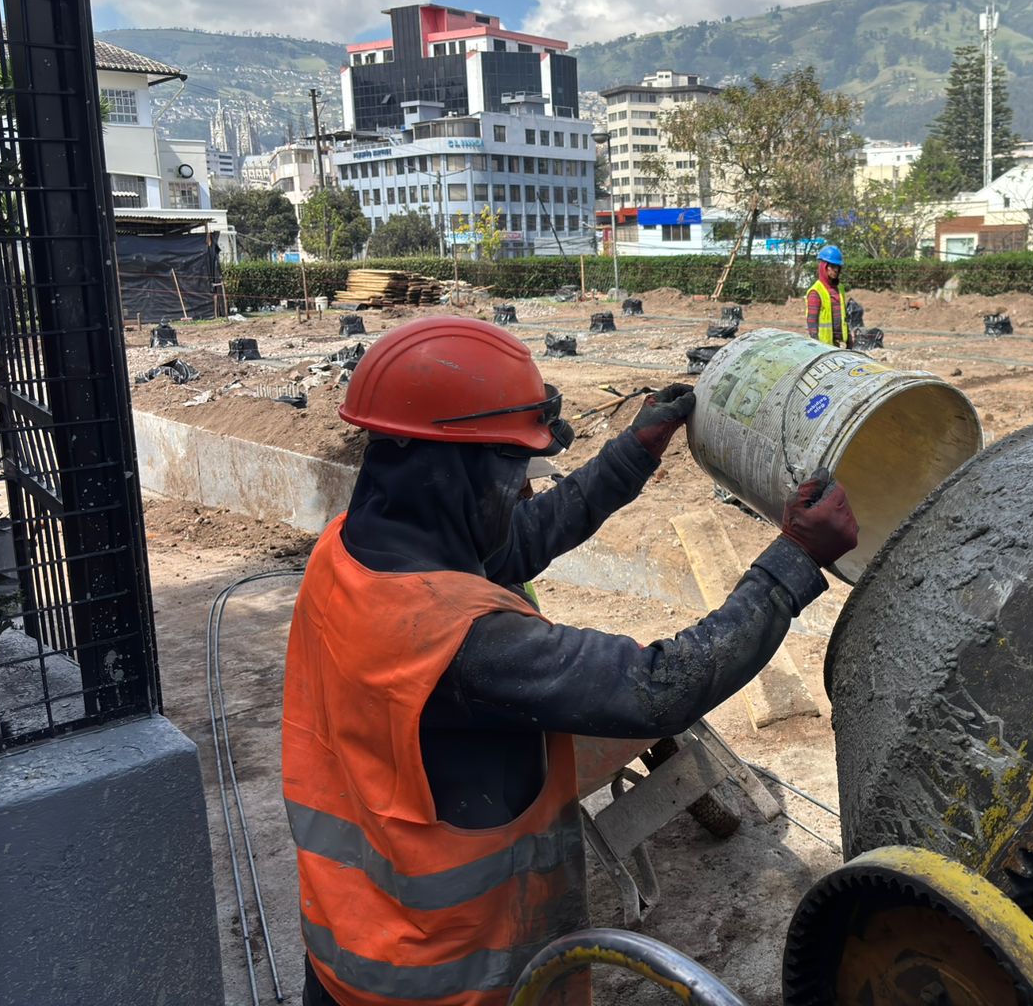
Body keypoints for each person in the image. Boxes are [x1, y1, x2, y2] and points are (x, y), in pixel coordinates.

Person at [282, 317, 858, 1006]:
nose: (524, 491)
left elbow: (510, 542)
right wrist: (792, 561)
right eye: (516, 473)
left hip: (349, 947)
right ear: (457, 473)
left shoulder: (349, 551)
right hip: (452, 981)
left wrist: (633, 454)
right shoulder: (459, 643)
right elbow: (657, 688)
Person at [805, 244, 851, 348]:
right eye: (832, 266)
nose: (836, 270)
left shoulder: (840, 289)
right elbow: (812, 322)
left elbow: (844, 317)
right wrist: (815, 344)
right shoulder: (815, 292)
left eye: (837, 267)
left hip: (837, 344)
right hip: (822, 345)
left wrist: (848, 339)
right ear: (824, 266)